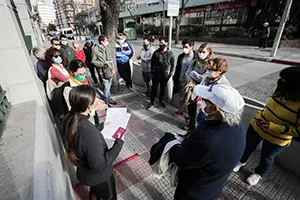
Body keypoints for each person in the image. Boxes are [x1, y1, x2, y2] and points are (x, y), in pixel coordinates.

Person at [170, 84, 246, 200]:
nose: (201, 103)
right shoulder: (238, 127)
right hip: (213, 188)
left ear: (215, 109)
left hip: (193, 192)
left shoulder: (208, 138)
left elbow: (182, 159)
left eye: (205, 101)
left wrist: (172, 145)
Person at [233, 66, 300, 186]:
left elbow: (297, 131)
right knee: (247, 147)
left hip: (277, 138)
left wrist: (272, 127)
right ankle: (241, 161)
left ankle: (258, 173)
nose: (280, 82)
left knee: (267, 158)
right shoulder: (281, 90)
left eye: (284, 80)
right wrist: (260, 117)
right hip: (257, 126)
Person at [63, 84, 123, 200]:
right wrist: (119, 142)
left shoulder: (69, 118)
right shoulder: (88, 133)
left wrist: (102, 126)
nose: (97, 101)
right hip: (99, 177)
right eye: (95, 99)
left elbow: (82, 137)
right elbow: (98, 165)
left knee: (95, 192)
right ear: (88, 106)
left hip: (85, 173)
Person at [183, 43, 214, 131]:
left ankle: (200, 128)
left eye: (203, 52)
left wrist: (193, 74)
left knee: (202, 111)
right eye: (200, 51)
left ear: (209, 52)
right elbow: (187, 73)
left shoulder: (210, 64)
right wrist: (191, 78)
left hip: (203, 91)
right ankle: (191, 124)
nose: (201, 54)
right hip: (191, 88)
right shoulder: (195, 61)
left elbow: (204, 79)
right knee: (190, 107)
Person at [146, 36, 175, 110]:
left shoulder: (170, 53)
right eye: (160, 43)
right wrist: (152, 72)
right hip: (156, 74)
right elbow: (152, 63)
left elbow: (173, 64)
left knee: (162, 89)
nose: (160, 44)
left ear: (166, 43)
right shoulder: (156, 53)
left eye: (162, 42)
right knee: (154, 89)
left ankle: (161, 101)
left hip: (165, 75)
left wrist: (171, 73)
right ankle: (151, 102)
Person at [173, 39, 196, 116]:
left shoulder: (196, 58)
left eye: (186, 47)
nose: (184, 49)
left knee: (190, 100)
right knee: (181, 97)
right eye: (183, 47)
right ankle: (180, 110)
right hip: (181, 80)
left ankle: (189, 116)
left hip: (190, 83)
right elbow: (177, 68)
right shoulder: (181, 56)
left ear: (191, 47)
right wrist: (175, 78)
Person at [92, 35, 117, 105]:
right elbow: (93, 61)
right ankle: (106, 101)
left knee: (109, 85)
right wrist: (102, 63)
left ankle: (108, 98)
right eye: (106, 41)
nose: (107, 42)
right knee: (106, 87)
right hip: (102, 71)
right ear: (102, 41)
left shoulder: (107, 48)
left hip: (109, 70)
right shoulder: (95, 50)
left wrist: (113, 69)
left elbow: (110, 59)